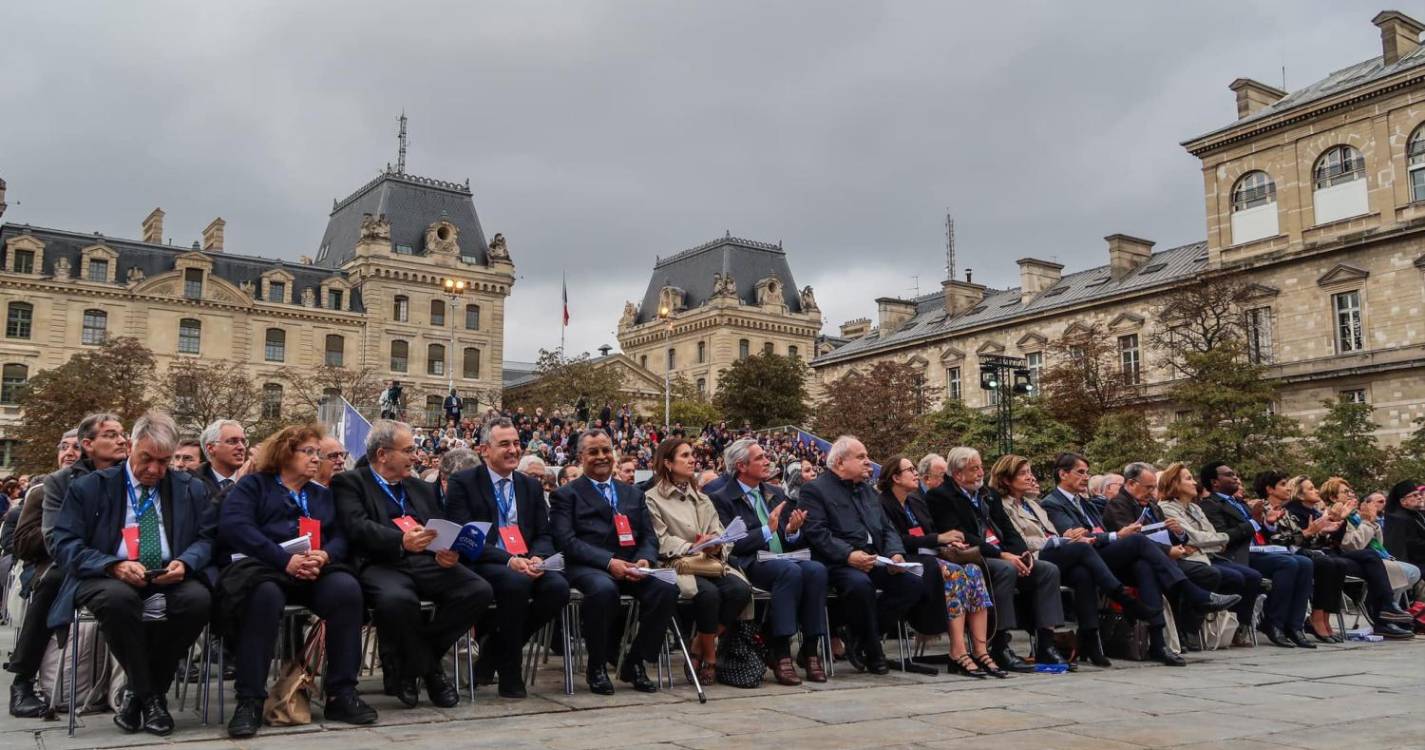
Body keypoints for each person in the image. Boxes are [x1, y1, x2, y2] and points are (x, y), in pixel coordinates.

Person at [49, 411, 213, 736]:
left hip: (167, 574)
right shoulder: (90, 487)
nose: (154, 470)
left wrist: (187, 563)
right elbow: (63, 543)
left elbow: (207, 538)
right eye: (146, 459)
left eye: (164, 462)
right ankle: (152, 697)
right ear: (129, 445)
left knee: (197, 600)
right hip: (106, 575)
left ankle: (137, 697)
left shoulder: (189, 488)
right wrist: (112, 564)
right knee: (118, 601)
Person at [216, 425, 376, 737]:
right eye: (310, 452)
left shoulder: (320, 495)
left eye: (320, 453)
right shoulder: (254, 487)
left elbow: (342, 535)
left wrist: (326, 556)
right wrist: (283, 558)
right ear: (286, 454)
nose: (317, 459)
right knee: (263, 597)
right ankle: (250, 699)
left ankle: (341, 692)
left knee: (346, 590)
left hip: (312, 568)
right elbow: (236, 527)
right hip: (266, 567)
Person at [332, 420, 494, 707]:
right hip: (381, 562)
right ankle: (431, 673)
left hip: (425, 560)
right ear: (383, 454)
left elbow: (437, 525)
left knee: (478, 590)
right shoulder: (350, 482)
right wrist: (400, 540)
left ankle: (411, 666)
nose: (416, 455)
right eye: (408, 450)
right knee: (397, 601)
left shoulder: (420, 487)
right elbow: (357, 527)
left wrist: (446, 551)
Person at [1039, 453, 1232, 665]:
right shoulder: (1052, 503)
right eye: (1080, 472)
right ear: (1063, 474)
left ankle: (1158, 642)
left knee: (1144, 566)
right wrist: (1117, 535)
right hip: (1080, 556)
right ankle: (1190, 592)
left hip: (1100, 555)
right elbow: (1076, 536)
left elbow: (1096, 532)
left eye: (1087, 472)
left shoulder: (1086, 503)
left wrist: (1177, 534)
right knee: (1135, 542)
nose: (1086, 477)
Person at [994, 455, 1178, 667]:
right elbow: (1021, 540)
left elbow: (1055, 532)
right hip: (1036, 555)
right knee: (1124, 542)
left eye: (1030, 472)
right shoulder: (1017, 504)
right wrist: (1063, 538)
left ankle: (1089, 638)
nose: (1031, 477)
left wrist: (1066, 537)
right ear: (1006, 479)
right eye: (1023, 473)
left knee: (1091, 572)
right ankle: (1127, 595)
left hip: (1074, 553)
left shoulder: (1033, 505)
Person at [444, 418, 569, 699]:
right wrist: (508, 559)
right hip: (485, 561)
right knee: (515, 584)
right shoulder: (463, 482)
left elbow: (543, 533)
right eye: (504, 444)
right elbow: (463, 535)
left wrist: (538, 556)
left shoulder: (530, 486)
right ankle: (511, 672)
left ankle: (493, 653)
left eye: (516, 443)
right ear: (485, 450)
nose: (513, 450)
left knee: (558, 588)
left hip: (528, 561)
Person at [549, 430, 677, 694]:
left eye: (606, 450)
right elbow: (566, 541)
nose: (601, 457)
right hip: (589, 567)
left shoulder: (632, 493)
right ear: (581, 456)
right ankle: (597, 665)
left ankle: (635, 661)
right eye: (593, 452)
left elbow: (649, 536)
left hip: (632, 565)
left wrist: (644, 559)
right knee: (603, 590)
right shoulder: (567, 494)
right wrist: (609, 562)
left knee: (667, 588)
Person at [924, 446, 1066, 672]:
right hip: (974, 556)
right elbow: (961, 535)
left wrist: (1022, 555)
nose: (981, 473)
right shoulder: (940, 496)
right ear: (958, 474)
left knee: (1047, 570)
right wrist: (1003, 555)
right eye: (974, 469)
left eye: (981, 467)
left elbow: (1009, 530)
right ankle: (1000, 644)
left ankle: (1046, 643)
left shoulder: (987, 495)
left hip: (1004, 553)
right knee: (1004, 570)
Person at [799, 436, 924, 675]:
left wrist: (895, 554)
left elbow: (887, 528)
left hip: (875, 558)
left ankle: (860, 637)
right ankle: (873, 649)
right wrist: (848, 555)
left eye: (866, 456)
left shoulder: (868, 491)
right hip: (837, 562)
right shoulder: (814, 490)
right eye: (861, 457)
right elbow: (818, 532)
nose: (868, 462)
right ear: (839, 462)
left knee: (911, 583)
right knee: (860, 585)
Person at [710, 438, 827, 684]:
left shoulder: (775, 492)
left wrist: (792, 530)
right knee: (789, 572)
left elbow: (787, 537)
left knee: (816, 570)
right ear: (741, 466)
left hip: (781, 557)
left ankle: (811, 648)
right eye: (760, 458)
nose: (767, 461)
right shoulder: (722, 498)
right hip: (749, 561)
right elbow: (731, 544)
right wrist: (766, 530)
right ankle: (781, 650)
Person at [877, 456, 999, 678]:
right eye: (910, 469)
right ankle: (957, 650)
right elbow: (897, 540)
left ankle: (980, 650)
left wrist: (948, 541)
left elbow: (931, 531)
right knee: (953, 573)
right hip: (910, 559)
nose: (916, 473)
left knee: (973, 570)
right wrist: (938, 539)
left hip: (933, 555)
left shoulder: (915, 501)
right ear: (895, 477)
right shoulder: (883, 503)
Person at [645, 438, 752, 684]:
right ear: (668, 463)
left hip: (709, 561)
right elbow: (659, 538)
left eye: (692, 454)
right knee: (709, 595)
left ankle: (698, 645)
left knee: (740, 590)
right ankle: (711, 656)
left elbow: (720, 531)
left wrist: (716, 544)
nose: (693, 459)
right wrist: (691, 546)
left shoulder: (702, 498)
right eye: (684, 455)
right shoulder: (652, 498)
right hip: (678, 564)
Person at [1103, 462, 1228, 650]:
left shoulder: (1153, 505)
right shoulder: (1118, 505)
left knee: (1199, 573)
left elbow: (1168, 534)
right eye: (1148, 487)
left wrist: (1178, 534)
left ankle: (1168, 638)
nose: (1152, 492)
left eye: (1154, 487)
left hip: (1159, 560)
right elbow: (1131, 541)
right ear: (1130, 484)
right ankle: (1190, 607)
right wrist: (1168, 551)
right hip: (1130, 562)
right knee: (1154, 564)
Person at [6, 429, 79, 717]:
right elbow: (22, 544)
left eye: (76, 447)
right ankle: (22, 681)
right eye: (63, 446)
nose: (69, 452)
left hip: (89, 564)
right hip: (47, 566)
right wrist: (62, 530)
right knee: (52, 584)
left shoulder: (103, 487)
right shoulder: (43, 490)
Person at [1287, 476, 1413, 638]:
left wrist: (1366, 522)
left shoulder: (1342, 514)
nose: (1351, 495)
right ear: (1299, 494)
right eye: (1345, 492)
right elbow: (1349, 544)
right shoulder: (1314, 512)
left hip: (1348, 555)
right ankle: (1385, 613)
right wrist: (1348, 520)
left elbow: (1377, 543)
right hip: (1325, 555)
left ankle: (1386, 613)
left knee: (1372, 558)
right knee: (1360, 562)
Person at [1156, 463, 1261, 647]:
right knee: (1217, 575)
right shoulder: (1167, 508)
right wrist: (1216, 540)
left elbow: (1210, 538)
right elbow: (1193, 536)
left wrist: (1207, 543)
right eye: (1188, 478)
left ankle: (1236, 628)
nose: (1194, 482)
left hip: (1205, 555)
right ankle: (1190, 629)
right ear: (1174, 483)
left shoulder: (1195, 508)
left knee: (1251, 576)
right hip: (1188, 558)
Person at [1344, 490, 1421, 599]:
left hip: (1382, 555)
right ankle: (1385, 605)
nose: (1384, 504)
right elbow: (1356, 545)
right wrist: (1367, 522)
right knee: (1409, 572)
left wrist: (1372, 522)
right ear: (1367, 504)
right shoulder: (1350, 519)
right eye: (1380, 501)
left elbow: (1379, 543)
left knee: (1414, 571)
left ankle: (1390, 606)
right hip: (1363, 559)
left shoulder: (1369, 518)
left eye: (1385, 501)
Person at [1383, 480, 1425, 572]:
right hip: (1409, 564)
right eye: (1414, 495)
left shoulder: (1418, 514)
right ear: (1403, 501)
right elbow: (1412, 546)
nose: (1419, 497)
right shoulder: (1398, 518)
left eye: (1419, 494)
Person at [198, 419, 248, 495]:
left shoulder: (257, 482)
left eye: (243, 442)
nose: (241, 447)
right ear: (211, 448)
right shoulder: (192, 485)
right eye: (232, 441)